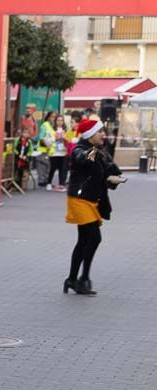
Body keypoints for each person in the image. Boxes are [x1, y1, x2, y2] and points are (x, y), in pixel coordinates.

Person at [65, 118, 123, 296]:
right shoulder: (81, 150)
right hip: (80, 199)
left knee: (84, 240)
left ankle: (72, 279)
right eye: (100, 132)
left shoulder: (100, 151)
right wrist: (93, 153)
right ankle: (83, 278)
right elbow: (83, 159)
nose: (103, 135)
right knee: (94, 238)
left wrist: (112, 178)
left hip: (91, 199)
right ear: (90, 135)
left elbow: (105, 171)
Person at [49, 114, 70, 190]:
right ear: (55, 121)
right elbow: (49, 139)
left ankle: (61, 184)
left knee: (62, 169)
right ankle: (49, 183)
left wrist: (65, 138)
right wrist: (54, 137)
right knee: (53, 168)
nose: (60, 122)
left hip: (63, 152)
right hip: (54, 152)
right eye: (58, 120)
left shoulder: (66, 130)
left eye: (61, 120)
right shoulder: (52, 129)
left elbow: (68, 140)